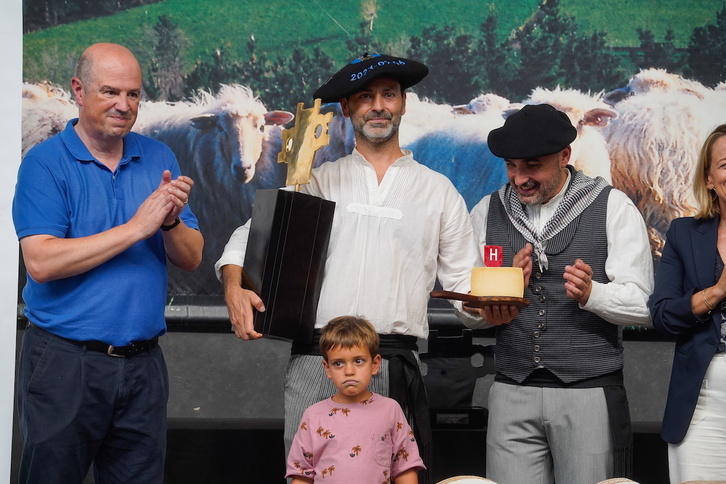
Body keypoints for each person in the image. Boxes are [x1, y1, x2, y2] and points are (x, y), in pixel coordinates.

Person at [215, 53, 479, 482]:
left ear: (403, 103)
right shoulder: (317, 181)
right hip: (317, 362)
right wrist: (233, 285)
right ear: (346, 108)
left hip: (390, 364)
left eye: (388, 95)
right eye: (365, 97)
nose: (378, 106)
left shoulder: (438, 191)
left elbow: (465, 285)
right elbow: (250, 238)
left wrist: (490, 307)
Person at [12, 43, 203, 483]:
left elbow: (192, 258)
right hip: (65, 362)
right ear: (79, 91)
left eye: (133, 94)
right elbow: (41, 262)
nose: (124, 105)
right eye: (110, 92)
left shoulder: (159, 157)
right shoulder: (44, 164)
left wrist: (170, 222)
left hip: (143, 366)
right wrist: (137, 227)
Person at [467, 103, 653, 484]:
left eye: (532, 166)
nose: (520, 178)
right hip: (511, 390)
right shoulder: (487, 211)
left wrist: (592, 294)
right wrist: (494, 302)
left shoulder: (612, 207)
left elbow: (641, 304)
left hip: (587, 391)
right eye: (511, 166)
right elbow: (465, 307)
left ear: (565, 156)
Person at [649, 123, 726, 482]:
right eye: (725, 164)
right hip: (702, 405)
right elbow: (663, 315)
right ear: (709, 179)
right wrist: (718, 291)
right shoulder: (683, 233)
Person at [286, 316, 424, 483]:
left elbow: (405, 466)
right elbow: (302, 475)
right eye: (338, 363)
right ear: (327, 368)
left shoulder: (390, 410)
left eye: (358, 361)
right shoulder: (313, 415)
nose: (349, 371)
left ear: (375, 364)